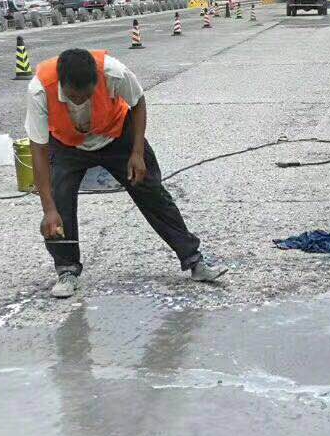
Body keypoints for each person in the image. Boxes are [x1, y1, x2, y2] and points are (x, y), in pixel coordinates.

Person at [26, 47, 225, 298]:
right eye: (73, 97)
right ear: (61, 85)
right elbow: (38, 149)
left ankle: (194, 260)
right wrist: (49, 208)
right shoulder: (39, 90)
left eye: (86, 96)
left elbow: (138, 101)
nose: (80, 102)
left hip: (117, 135)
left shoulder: (113, 72)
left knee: (151, 191)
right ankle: (67, 270)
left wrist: (137, 153)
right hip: (67, 144)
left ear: (96, 81)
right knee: (59, 202)